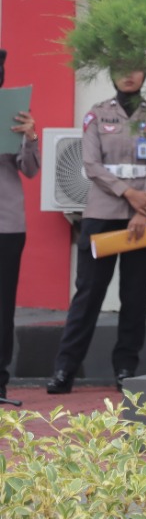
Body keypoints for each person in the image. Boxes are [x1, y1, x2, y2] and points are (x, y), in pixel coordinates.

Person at [46, 67, 146, 394]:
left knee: (135, 295)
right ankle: (64, 369)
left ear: (145, 73)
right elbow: (91, 165)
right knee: (88, 294)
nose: (128, 76)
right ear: (112, 74)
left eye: (135, 69)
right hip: (103, 213)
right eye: (121, 70)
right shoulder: (96, 115)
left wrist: (143, 209)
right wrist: (128, 194)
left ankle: (125, 368)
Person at [0, 49, 40, 402]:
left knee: (2, 305)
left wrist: (29, 136)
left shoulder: (11, 112)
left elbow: (29, 169)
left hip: (6, 224)